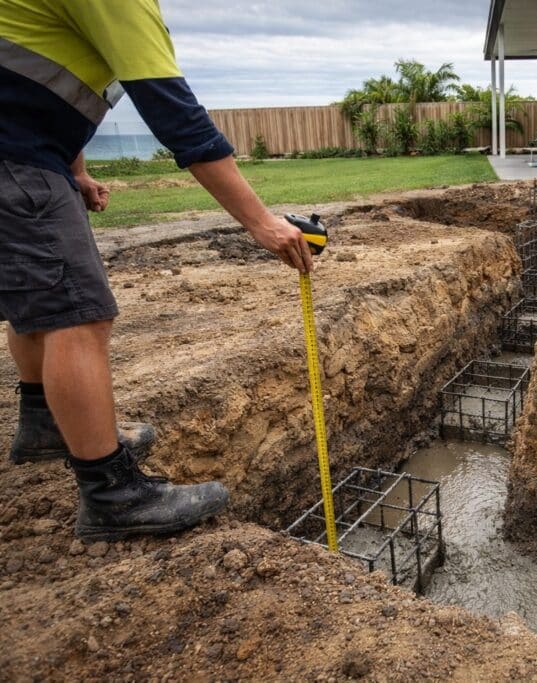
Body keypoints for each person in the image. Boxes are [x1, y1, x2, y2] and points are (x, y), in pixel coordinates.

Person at [0, 0, 313, 541]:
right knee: (78, 314)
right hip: (14, 158)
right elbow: (178, 119)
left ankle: (46, 427)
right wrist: (261, 223)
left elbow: (42, 86)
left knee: (41, 302)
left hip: (27, 150)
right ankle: (112, 496)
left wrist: (73, 167)